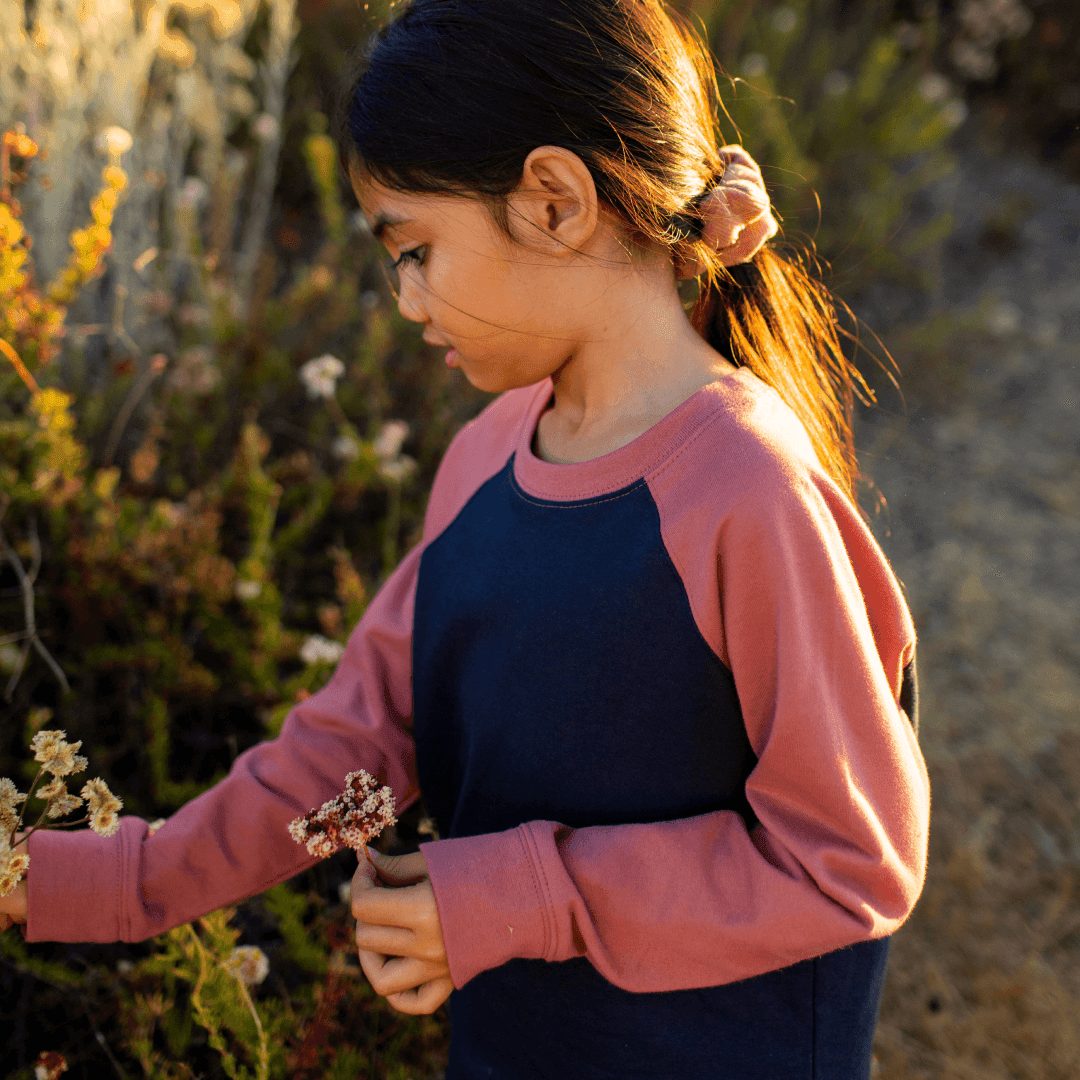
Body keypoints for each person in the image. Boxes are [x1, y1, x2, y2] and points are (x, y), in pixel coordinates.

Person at [2, 0, 931, 1076]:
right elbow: (360, 744)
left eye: (415, 250)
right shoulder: (490, 456)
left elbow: (848, 861)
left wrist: (513, 896)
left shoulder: (745, 490)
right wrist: (116, 881)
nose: (405, 301)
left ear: (553, 202)